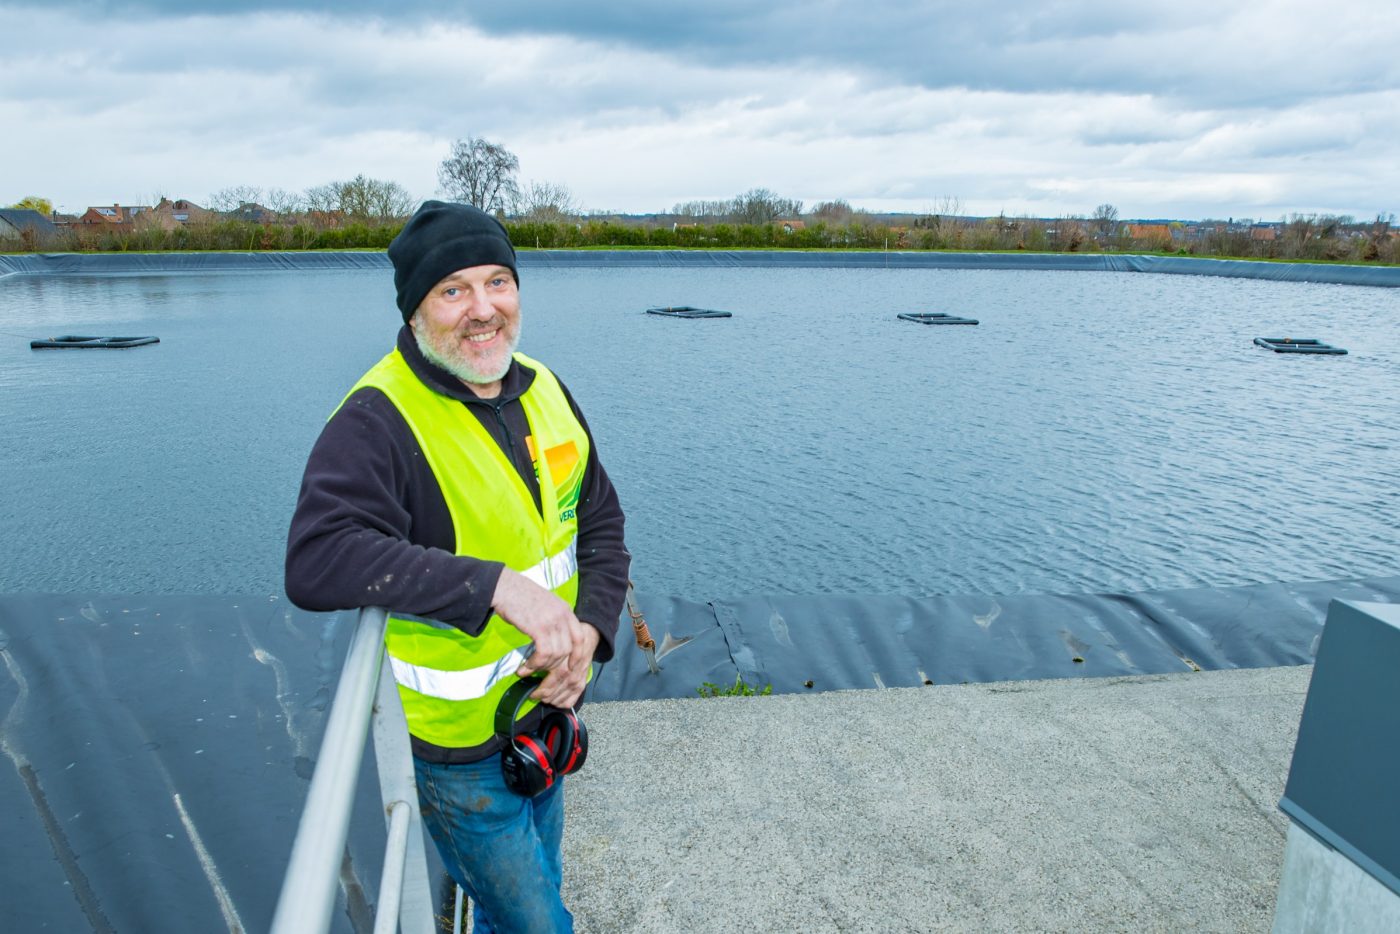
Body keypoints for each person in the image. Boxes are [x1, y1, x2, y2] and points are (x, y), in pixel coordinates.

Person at [285, 200, 630, 932]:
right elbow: (317, 557)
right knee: (541, 923)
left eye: (498, 282)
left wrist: (592, 635)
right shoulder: (378, 418)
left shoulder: (543, 386)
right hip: (459, 756)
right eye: (453, 290)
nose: (483, 310)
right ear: (416, 312)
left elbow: (600, 522)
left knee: (539, 891)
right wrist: (495, 588)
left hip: (550, 713)